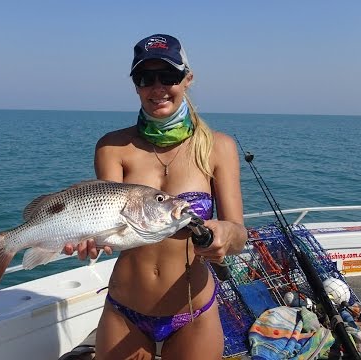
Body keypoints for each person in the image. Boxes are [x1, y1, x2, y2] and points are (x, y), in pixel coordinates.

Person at [63, 34, 248, 360]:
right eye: (146, 78)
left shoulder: (219, 147)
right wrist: (87, 239)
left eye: (169, 76)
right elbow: (104, 222)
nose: (157, 87)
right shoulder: (112, 147)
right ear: (136, 85)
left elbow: (238, 234)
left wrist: (226, 234)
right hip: (125, 310)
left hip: (193, 311)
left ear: (187, 79)